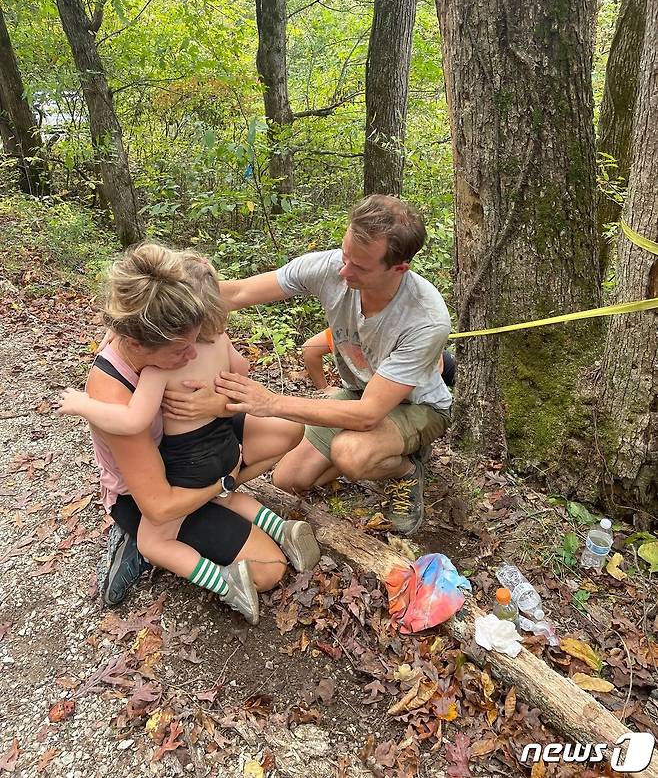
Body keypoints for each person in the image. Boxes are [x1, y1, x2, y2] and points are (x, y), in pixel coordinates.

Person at [162, 195, 453, 536]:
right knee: (290, 479)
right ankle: (375, 449)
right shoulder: (331, 267)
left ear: (398, 268)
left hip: (418, 405)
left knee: (351, 454)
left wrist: (270, 404)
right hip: (359, 392)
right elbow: (237, 293)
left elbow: (368, 415)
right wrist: (142, 320)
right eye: (345, 256)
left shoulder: (426, 319)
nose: (344, 272)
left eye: (359, 267)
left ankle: (404, 470)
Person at [59, 243, 315, 623]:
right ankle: (133, 541)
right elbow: (158, 505)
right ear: (135, 343)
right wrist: (224, 483)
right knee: (269, 569)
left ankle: (207, 509)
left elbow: (230, 335)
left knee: (285, 430)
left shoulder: (159, 333)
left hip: (189, 461)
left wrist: (215, 403)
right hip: (151, 493)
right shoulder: (117, 387)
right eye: (181, 350)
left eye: (194, 342)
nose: (192, 356)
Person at [300, 327, 456, 392]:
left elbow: (437, 368)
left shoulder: (395, 328)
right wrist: (324, 389)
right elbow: (310, 350)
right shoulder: (343, 331)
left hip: (433, 368)